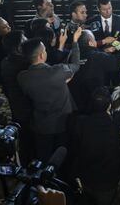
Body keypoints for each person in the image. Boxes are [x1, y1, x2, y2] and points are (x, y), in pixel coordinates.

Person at [69, 63, 120, 205]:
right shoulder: (114, 123)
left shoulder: (79, 122)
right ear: (109, 105)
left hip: (86, 177)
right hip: (108, 180)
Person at [17, 27, 82, 162]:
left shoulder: (22, 77)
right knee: (63, 155)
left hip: (41, 124)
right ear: (41, 55)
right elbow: (76, 65)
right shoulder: (57, 72)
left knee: (43, 156)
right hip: (63, 123)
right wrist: (75, 41)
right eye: (45, 50)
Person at [0, 30, 33, 165]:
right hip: (26, 104)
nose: (27, 40)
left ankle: (24, 160)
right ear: (18, 45)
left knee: (23, 135)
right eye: (24, 38)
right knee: (29, 136)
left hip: (15, 102)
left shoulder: (5, 60)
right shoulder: (24, 63)